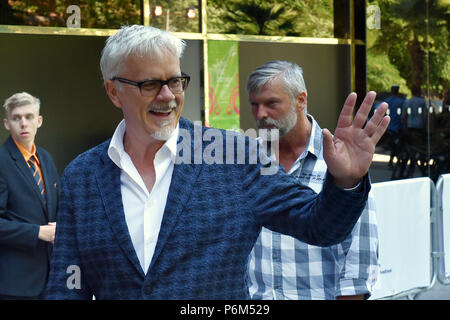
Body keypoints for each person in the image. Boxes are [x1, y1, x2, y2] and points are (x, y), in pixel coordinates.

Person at [45, 25, 390, 300]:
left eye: (175, 81)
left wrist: (346, 182)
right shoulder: (82, 176)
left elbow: (320, 225)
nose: (167, 96)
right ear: (113, 91)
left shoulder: (235, 156)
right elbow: (67, 285)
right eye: (150, 84)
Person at [246, 60, 379, 300]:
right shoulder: (248, 162)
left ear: (301, 100)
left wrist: (348, 180)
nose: (260, 114)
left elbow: (358, 265)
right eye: (254, 105)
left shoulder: (340, 162)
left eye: (271, 103)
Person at [0, 92, 60, 299]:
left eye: (29, 117)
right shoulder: (1, 162)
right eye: (16, 118)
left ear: (39, 121)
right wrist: (37, 232)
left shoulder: (46, 158)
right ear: (7, 123)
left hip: (51, 279)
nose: (23, 123)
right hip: (14, 284)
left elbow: (55, 209)